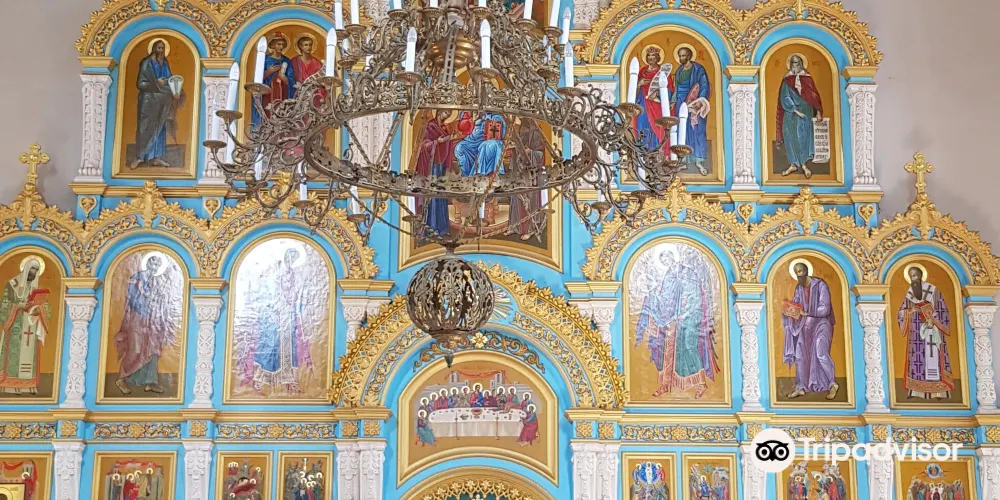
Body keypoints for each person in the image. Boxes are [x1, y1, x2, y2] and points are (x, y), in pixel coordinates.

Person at [635, 250, 719, 399]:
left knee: (689, 347)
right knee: (666, 349)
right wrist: (653, 295)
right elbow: (666, 298)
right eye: (663, 261)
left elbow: (696, 297)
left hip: (690, 317)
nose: (665, 262)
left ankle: (701, 384)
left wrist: (685, 313)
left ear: (672, 257)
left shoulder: (688, 273)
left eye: (666, 259)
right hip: (674, 318)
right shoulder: (668, 276)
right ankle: (665, 384)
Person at [240, 248, 314, 394]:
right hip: (272, 316)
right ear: (285, 255)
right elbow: (265, 292)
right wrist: (275, 306)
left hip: (288, 315)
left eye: (295, 258)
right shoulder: (273, 271)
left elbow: (296, 295)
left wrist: (292, 304)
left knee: (289, 348)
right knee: (269, 347)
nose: (292, 260)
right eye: (291, 256)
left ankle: (288, 380)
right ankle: (261, 380)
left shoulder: (293, 274)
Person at [114, 253, 178, 395]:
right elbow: (132, 298)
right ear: (148, 263)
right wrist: (147, 298)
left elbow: (163, 300)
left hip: (153, 320)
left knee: (152, 349)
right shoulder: (136, 278)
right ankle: (122, 379)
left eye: (158, 265)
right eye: (153, 264)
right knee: (135, 349)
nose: (155, 267)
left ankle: (150, 382)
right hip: (138, 318)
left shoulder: (158, 282)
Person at [781, 260, 839, 400]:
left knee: (820, 352)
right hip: (805, 325)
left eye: (800, 271)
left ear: (807, 271)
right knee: (800, 354)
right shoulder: (799, 288)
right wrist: (790, 311)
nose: (799, 275)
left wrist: (806, 312)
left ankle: (832, 384)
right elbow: (797, 305)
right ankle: (801, 387)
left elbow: (825, 308)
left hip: (822, 324)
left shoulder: (821, 285)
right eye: (796, 273)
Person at [897, 265, 954, 399]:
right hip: (916, 332)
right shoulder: (910, 293)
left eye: (914, 276)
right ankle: (916, 391)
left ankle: (939, 392)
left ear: (920, 276)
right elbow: (902, 311)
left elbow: (942, 309)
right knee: (917, 361)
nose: (913, 279)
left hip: (933, 328)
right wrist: (909, 311)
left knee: (934, 357)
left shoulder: (933, 290)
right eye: (911, 277)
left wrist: (932, 319)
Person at [130, 39, 185, 169]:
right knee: (145, 128)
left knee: (160, 129)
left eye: (163, 48)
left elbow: (169, 79)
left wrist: (174, 90)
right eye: (159, 48)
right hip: (148, 101)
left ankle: (156, 157)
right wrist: (156, 83)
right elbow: (141, 84)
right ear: (154, 49)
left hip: (163, 101)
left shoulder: (164, 63)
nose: (161, 51)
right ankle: (140, 157)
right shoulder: (146, 64)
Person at [0, 257, 49, 395]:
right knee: (14, 355)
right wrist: (18, 306)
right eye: (32, 268)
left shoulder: (37, 287)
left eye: (36, 270)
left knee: (29, 355)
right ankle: (10, 385)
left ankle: (29, 385)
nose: (34, 272)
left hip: (31, 325)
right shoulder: (13, 284)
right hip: (15, 325)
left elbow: (45, 306)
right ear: (26, 268)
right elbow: (4, 304)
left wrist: (40, 309)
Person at [777, 54, 823, 178]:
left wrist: (818, 111)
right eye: (793, 63)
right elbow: (785, 97)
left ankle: (803, 164)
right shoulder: (787, 80)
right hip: (791, 112)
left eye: (797, 63)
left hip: (806, 111)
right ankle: (793, 164)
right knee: (790, 137)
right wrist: (795, 110)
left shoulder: (807, 78)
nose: (794, 65)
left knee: (803, 137)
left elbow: (814, 96)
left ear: (801, 64)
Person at [414, 109, 457, 236]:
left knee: (441, 195)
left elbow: (446, 145)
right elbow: (423, 145)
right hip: (431, 166)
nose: (446, 116)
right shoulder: (430, 127)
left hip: (440, 165)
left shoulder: (443, 128)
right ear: (439, 112)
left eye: (448, 115)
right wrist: (436, 142)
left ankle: (442, 228)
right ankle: (431, 227)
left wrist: (450, 139)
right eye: (445, 113)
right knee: (432, 195)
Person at [671, 46, 711, 175]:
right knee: (682, 129)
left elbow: (704, 85)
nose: (681, 58)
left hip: (694, 102)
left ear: (689, 56)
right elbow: (676, 88)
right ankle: (683, 160)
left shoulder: (698, 69)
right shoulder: (679, 70)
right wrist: (672, 101)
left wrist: (700, 100)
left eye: (683, 56)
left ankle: (698, 160)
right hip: (681, 102)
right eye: (680, 56)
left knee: (697, 129)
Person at [507, 121, 547, 240]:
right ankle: (515, 227)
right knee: (516, 197)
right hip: (519, 170)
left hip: (532, 174)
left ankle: (531, 229)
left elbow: (541, 154)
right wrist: (514, 147)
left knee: (530, 200)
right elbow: (519, 147)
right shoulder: (522, 128)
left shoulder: (537, 131)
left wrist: (531, 153)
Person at [252, 32, 296, 127]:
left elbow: (291, 81)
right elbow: (258, 79)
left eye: (282, 44)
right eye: (278, 44)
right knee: (267, 113)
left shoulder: (286, 61)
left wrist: (283, 77)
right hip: (268, 93)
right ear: (272, 45)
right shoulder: (265, 60)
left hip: (282, 93)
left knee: (281, 114)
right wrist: (270, 71)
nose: (281, 47)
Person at [634, 47, 671, 153]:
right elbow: (633, 92)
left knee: (656, 126)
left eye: (653, 56)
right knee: (642, 126)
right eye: (649, 56)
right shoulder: (642, 71)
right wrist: (639, 84)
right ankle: (643, 152)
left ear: (657, 58)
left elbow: (670, 90)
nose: (651, 58)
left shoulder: (663, 72)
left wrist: (657, 93)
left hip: (656, 105)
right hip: (643, 104)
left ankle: (657, 151)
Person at [290, 33, 324, 106]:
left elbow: (321, 80)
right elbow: (290, 79)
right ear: (300, 46)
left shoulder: (317, 63)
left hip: (313, 95)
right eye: (306, 45)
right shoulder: (294, 61)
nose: (308, 47)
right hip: (298, 94)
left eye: (310, 45)